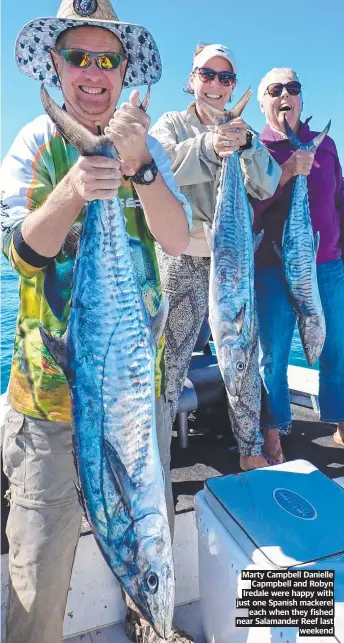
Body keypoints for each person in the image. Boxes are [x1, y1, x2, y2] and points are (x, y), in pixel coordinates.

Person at [0, 1, 194, 642]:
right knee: (41, 568)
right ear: (55, 65)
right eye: (77, 57)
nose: (91, 72)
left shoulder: (151, 148)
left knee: (143, 522)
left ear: (122, 69)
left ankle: (153, 621)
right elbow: (22, 252)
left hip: (137, 400)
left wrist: (138, 167)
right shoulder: (33, 143)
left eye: (105, 59)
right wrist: (76, 189)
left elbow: (175, 236)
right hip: (49, 398)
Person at [150, 43, 282, 471]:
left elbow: (268, 184)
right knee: (168, 362)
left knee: (242, 353)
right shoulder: (171, 123)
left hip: (233, 260)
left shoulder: (242, 130)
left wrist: (247, 146)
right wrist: (210, 145)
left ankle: (249, 449)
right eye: (208, 75)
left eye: (225, 78)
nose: (216, 85)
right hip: (182, 259)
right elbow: (160, 165)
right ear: (192, 79)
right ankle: (156, 457)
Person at [251, 67, 344, 462]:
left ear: (301, 98)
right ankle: (274, 430)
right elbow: (250, 212)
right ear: (263, 102)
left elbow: (339, 200)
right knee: (272, 353)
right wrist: (287, 173)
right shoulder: (254, 149)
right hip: (272, 269)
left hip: (327, 265)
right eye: (275, 89)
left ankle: (340, 420)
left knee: (337, 348)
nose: (285, 94)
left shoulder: (325, 146)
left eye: (293, 87)